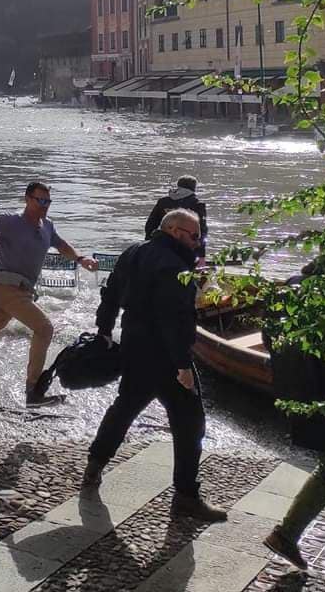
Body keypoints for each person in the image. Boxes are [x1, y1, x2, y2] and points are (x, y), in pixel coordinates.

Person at [81, 209, 227, 521]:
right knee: (190, 424)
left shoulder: (134, 252)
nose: (198, 243)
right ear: (174, 232)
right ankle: (186, 496)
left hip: (134, 345)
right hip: (165, 355)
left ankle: (93, 467)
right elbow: (174, 321)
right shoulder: (175, 267)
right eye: (194, 236)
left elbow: (110, 295)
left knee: (125, 408)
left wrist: (105, 331)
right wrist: (183, 366)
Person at [0, 182, 98, 408]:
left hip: (21, 291)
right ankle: (33, 392)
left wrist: (81, 259)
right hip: (5, 286)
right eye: (39, 200)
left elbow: (61, 245)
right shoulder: (10, 221)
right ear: (27, 199)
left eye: (47, 201)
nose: (44, 205)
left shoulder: (47, 226)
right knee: (44, 328)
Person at [262, 251, 325, 570]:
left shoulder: (288, 288)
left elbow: (269, 339)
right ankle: (286, 535)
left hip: (301, 395)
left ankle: (286, 535)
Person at [145, 175, 208, 257]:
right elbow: (202, 230)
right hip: (185, 248)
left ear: (178, 185)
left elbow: (150, 226)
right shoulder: (197, 204)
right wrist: (201, 255)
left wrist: (148, 247)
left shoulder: (163, 202)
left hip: (163, 245)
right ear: (194, 188)